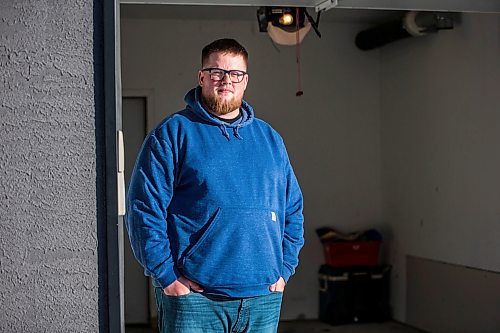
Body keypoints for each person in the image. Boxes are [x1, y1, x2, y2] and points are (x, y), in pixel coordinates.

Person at [125, 38, 304, 333]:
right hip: (196, 300)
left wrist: (284, 270)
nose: (226, 81)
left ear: (245, 81)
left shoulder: (270, 139)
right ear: (202, 77)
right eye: (217, 72)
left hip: (263, 298)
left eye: (236, 74)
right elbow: (144, 209)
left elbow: (293, 208)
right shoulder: (173, 133)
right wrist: (167, 277)